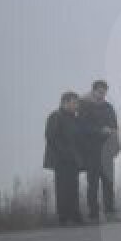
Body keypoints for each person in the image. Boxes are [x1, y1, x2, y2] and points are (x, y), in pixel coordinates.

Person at [76, 80, 119, 222]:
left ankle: (110, 213)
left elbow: (115, 128)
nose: (102, 94)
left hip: (107, 152)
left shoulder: (109, 107)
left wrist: (115, 147)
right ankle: (93, 214)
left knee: (108, 183)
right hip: (92, 151)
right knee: (93, 184)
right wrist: (100, 131)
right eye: (100, 91)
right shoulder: (84, 106)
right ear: (93, 91)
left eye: (104, 91)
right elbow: (82, 128)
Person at [44, 92, 85, 226]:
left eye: (77, 103)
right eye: (74, 102)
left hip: (73, 159)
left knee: (74, 187)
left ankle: (75, 216)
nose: (76, 105)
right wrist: (65, 153)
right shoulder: (56, 116)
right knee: (62, 188)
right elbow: (51, 137)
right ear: (65, 102)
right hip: (60, 159)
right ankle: (63, 218)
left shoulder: (74, 118)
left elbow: (77, 139)